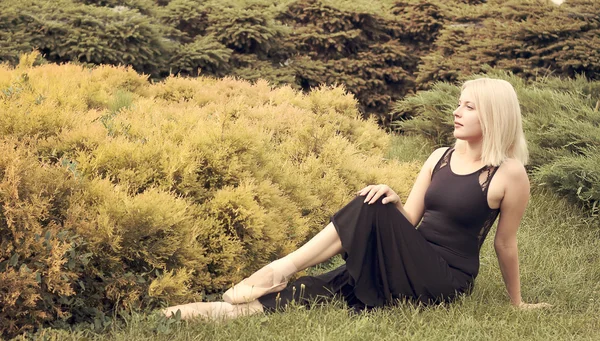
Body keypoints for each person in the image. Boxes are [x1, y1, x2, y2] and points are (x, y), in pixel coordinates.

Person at [162, 77, 551, 320]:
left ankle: (281, 267)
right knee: (335, 279)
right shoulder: (440, 157)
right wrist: (394, 199)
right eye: (459, 103)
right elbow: (410, 219)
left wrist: (516, 302)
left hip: (444, 279)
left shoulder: (508, 174)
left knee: (369, 210)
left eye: (468, 106)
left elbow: (505, 242)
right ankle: (225, 312)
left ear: (494, 116)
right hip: (409, 257)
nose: (456, 111)